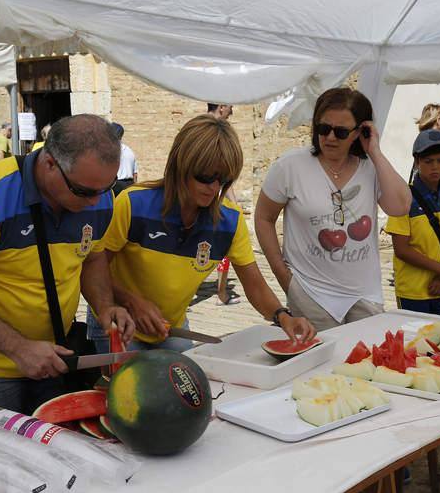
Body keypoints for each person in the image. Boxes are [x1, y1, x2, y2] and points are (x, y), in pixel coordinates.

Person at [0, 114, 135, 414]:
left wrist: (105, 308)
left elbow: (92, 259)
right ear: (50, 163)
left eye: (106, 188)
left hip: (56, 357)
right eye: (83, 191)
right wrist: (18, 348)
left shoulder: (100, 199)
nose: (95, 202)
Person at [87, 114, 315, 353]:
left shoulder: (230, 221)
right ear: (180, 165)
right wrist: (132, 302)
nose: (215, 188)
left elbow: (255, 286)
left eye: (224, 179)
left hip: (170, 327)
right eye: (205, 177)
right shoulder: (133, 204)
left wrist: (283, 317)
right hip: (117, 323)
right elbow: (95, 268)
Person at [255, 87, 411, 331]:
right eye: (323, 129)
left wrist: (375, 152)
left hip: (364, 295)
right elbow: (264, 217)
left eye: (340, 132)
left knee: (365, 362)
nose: (329, 138)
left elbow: (401, 206)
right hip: (310, 293)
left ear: (360, 132)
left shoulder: (371, 167)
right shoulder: (291, 166)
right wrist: (284, 276)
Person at [386, 130, 440, 315]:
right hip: (413, 291)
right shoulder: (403, 197)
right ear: (416, 161)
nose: (435, 167)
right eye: (428, 161)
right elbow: (402, 249)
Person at [207, 102, 241, 305]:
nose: (232, 110)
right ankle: (221, 294)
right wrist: (235, 206)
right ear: (221, 106)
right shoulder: (217, 133)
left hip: (197, 199)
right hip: (212, 203)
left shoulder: (196, 127)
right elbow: (224, 176)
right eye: (229, 106)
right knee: (224, 246)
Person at [111, 122, 139, 195]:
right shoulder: (129, 151)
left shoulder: (110, 150)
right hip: (129, 185)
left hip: (115, 185)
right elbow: (135, 174)